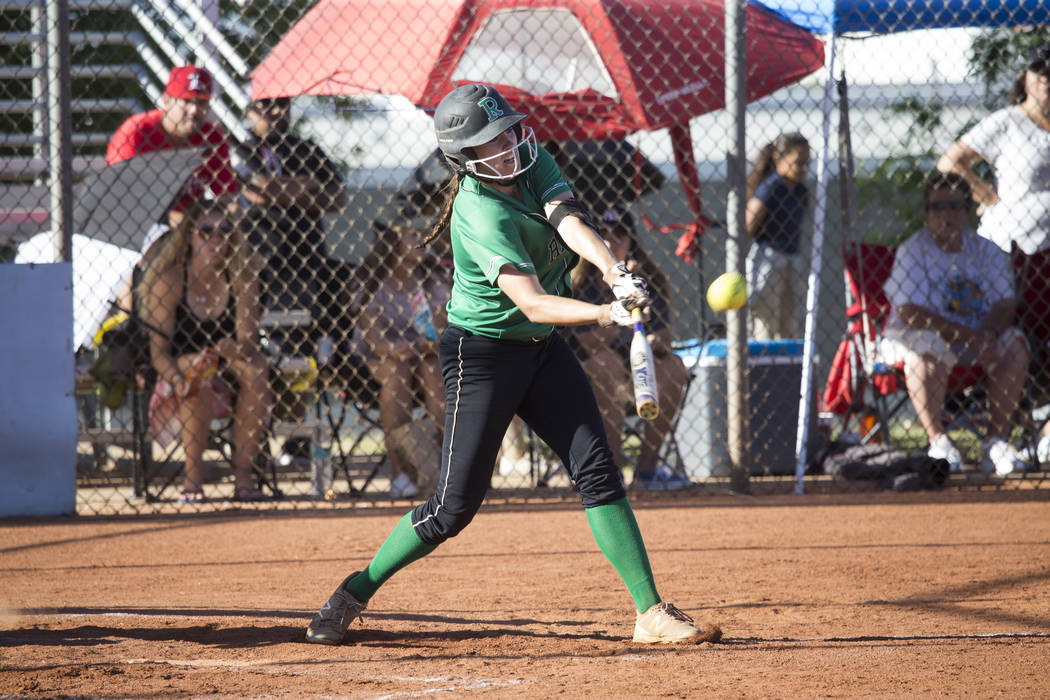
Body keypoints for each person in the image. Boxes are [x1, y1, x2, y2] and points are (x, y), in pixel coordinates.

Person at [304, 83, 721, 646]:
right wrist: (606, 313)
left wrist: (613, 270)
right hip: (481, 356)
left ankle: (650, 612)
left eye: (508, 134)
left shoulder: (533, 159)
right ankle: (352, 592)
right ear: (464, 161)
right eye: (490, 144)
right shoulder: (478, 211)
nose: (508, 147)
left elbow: (568, 219)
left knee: (598, 469)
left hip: (542, 350)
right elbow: (532, 302)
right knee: (453, 509)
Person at [937, 44, 1050, 461]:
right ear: (1026, 78)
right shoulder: (1008, 123)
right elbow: (950, 161)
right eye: (1040, 71)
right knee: (1013, 337)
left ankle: (1044, 433)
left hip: (1049, 257)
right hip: (1013, 251)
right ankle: (1002, 439)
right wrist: (987, 194)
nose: (1047, 79)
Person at [880, 172, 1030, 476]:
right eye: (937, 207)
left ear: (966, 210)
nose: (945, 214)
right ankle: (939, 442)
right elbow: (911, 314)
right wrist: (971, 337)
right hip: (922, 339)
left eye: (953, 205)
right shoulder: (914, 250)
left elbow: (1004, 304)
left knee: (1015, 345)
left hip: (979, 338)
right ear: (927, 213)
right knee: (927, 349)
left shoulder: (985, 250)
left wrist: (986, 335)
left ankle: (995, 443)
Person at [138, 200, 274, 502]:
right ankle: (193, 476)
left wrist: (235, 347)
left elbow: (249, 340)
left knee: (257, 368)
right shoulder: (170, 279)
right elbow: (159, 352)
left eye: (225, 231)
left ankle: (243, 474)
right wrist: (176, 377)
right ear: (189, 236)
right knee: (199, 368)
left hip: (229, 360)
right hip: (179, 368)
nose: (216, 240)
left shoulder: (242, 277)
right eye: (207, 231)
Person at [236, 96, 347, 461]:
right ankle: (257, 438)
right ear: (249, 110)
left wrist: (288, 189)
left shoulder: (305, 148)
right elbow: (257, 189)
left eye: (281, 104)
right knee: (256, 348)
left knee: (298, 347)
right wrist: (305, 188)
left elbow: (336, 197)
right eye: (265, 106)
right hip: (257, 261)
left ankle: (295, 437)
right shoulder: (242, 149)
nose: (275, 112)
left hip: (304, 263)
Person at [568, 205, 691, 490]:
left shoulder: (646, 280)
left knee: (673, 365)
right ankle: (609, 471)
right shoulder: (580, 280)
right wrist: (622, 309)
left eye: (618, 237)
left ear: (631, 243)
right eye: (604, 236)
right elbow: (590, 343)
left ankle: (646, 471)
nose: (610, 243)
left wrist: (656, 342)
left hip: (637, 371)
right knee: (605, 362)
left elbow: (664, 336)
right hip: (587, 375)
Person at [358, 221, 450, 498]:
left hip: (425, 355)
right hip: (379, 359)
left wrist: (425, 341)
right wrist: (397, 347)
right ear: (393, 243)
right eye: (413, 234)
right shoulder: (374, 280)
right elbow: (374, 341)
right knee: (397, 372)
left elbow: (442, 332)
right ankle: (399, 471)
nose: (423, 238)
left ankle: (447, 468)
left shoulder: (433, 278)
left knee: (432, 369)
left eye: (425, 233)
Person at [107, 65, 239, 239]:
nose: (194, 110)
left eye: (201, 102)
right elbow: (125, 197)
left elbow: (228, 199)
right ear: (167, 101)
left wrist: (234, 232)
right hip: (130, 223)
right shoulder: (136, 132)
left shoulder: (213, 137)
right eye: (186, 101)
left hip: (188, 229)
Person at [744, 132, 811, 340]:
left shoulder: (799, 190)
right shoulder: (771, 187)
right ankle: (763, 365)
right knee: (766, 322)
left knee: (789, 322)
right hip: (769, 257)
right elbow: (748, 224)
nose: (804, 169)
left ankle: (787, 364)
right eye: (798, 162)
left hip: (791, 257)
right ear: (778, 159)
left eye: (807, 163)